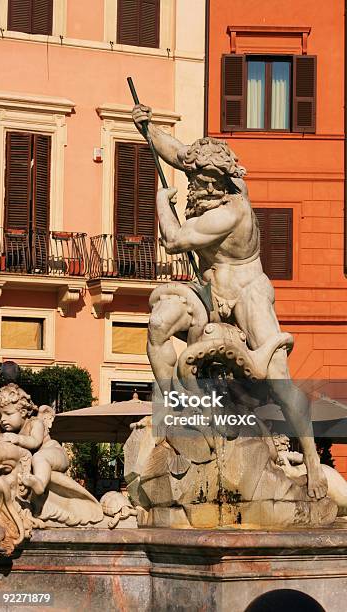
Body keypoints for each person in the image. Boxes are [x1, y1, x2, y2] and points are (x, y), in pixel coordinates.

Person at [131, 104, 327, 500]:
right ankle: (178, 405)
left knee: (279, 379)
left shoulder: (229, 212)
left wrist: (159, 202)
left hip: (247, 292)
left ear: (216, 180)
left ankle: (313, 463)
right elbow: (180, 154)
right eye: (192, 177)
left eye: (198, 179)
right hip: (206, 293)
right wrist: (148, 129)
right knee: (157, 326)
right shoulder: (211, 180)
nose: (192, 184)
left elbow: (173, 241)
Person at [0, 383, 68, 495]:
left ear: (23, 412)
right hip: (42, 457)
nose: (3, 420)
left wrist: (18, 439)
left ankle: (40, 484)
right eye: (0, 416)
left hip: (55, 453)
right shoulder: (7, 428)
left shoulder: (35, 423)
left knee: (39, 457)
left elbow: (35, 442)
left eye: (8, 414)